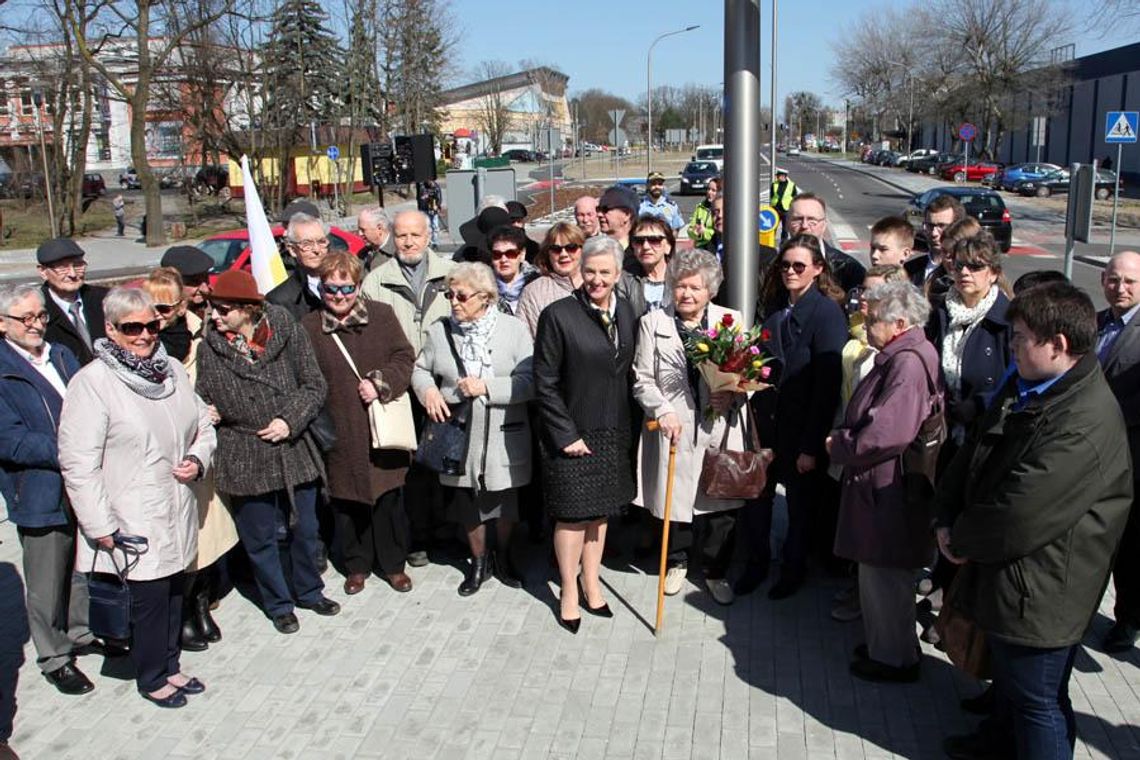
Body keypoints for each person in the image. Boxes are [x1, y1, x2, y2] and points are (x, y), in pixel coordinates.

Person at [937, 282, 1132, 760]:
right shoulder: (1030, 382)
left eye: (1021, 336)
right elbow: (978, 446)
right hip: (1014, 579)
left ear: (1059, 345)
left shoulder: (1082, 423)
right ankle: (997, 745)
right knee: (1012, 690)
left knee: (1038, 702)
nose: (1013, 344)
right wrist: (945, 511)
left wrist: (959, 537)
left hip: (1044, 592)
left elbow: (1019, 513)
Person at [58, 286, 216, 708]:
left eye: (152, 324)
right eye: (132, 328)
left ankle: (171, 664)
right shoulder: (92, 384)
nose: (145, 335)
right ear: (110, 329)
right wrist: (99, 524)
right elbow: (78, 463)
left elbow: (203, 422)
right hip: (130, 514)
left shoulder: (171, 371)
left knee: (174, 592)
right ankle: (151, 677)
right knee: (147, 601)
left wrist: (199, 459)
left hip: (176, 502)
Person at [195, 270, 340, 634]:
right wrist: (207, 408)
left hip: (292, 445)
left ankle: (309, 590)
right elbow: (203, 392)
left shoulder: (286, 329)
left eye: (224, 310)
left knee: (305, 528)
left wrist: (289, 421)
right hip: (243, 449)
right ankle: (278, 603)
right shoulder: (209, 347)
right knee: (260, 538)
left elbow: (313, 384)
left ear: (247, 309)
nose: (215, 317)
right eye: (214, 309)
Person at [827, 281, 942, 683]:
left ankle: (894, 658)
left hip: (886, 487)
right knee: (881, 574)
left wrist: (839, 444)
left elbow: (886, 434)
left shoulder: (906, 362)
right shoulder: (904, 353)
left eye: (871, 319)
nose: (864, 326)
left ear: (898, 323)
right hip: (882, 484)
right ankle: (889, 646)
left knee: (885, 574)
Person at [0, 284, 107, 697]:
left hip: (81, 481)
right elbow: (12, 442)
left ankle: (80, 632)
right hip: (40, 489)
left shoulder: (61, 355)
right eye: (25, 318)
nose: (36, 325)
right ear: (3, 324)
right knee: (46, 580)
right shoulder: (5, 370)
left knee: (81, 565)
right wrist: (72, 447)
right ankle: (54, 657)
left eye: (40, 316)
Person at [632, 249, 748, 606]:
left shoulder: (731, 320)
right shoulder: (654, 323)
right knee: (675, 502)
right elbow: (641, 378)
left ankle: (715, 571)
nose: (686, 294)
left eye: (695, 288)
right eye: (680, 286)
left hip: (719, 427)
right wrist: (662, 410)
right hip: (673, 428)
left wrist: (731, 394)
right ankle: (676, 563)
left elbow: (748, 374)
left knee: (719, 504)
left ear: (710, 290)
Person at [534, 236, 637, 633]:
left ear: (618, 274)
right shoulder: (558, 315)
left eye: (604, 273)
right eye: (589, 271)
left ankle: (592, 582)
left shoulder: (626, 311)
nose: (596, 279)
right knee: (573, 517)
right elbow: (544, 382)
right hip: (572, 434)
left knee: (600, 515)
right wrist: (565, 434)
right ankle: (568, 589)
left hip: (613, 431)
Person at [412, 263, 534, 595]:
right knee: (468, 504)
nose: (453, 302)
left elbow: (530, 381)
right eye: (450, 294)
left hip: (504, 435)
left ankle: (504, 558)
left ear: (484, 297)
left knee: (505, 503)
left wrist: (488, 388)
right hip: (459, 436)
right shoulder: (440, 331)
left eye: (461, 296)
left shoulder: (514, 329)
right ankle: (478, 563)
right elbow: (420, 370)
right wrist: (429, 391)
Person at [738, 234, 847, 599]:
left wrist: (811, 446)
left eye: (799, 266)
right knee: (758, 499)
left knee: (799, 509)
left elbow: (827, 388)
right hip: (766, 425)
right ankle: (756, 564)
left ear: (817, 269)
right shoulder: (773, 305)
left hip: (800, 432)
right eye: (785, 265)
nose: (790, 272)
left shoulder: (827, 313)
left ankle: (792, 569)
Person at [301, 252, 416, 596]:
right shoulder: (309, 327)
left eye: (346, 288)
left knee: (388, 502)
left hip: (381, 429)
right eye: (330, 289)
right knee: (347, 505)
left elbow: (404, 356)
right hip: (339, 431)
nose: (338, 295)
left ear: (358, 286)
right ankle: (357, 566)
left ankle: (394, 565)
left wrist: (381, 382)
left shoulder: (381, 315)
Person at [361, 210, 455, 567]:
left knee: (444, 462)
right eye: (402, 236)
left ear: (428, 236)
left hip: (441, 387)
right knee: (408, 469)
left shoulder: (449, 273)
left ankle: (447, 533)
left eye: (416, 235)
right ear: (392, 238)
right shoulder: (377, 281)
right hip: (398, 389)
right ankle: (416, 537)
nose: (409, 242)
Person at [926, 233, 1011, 449]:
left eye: (975, 267)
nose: (964, 272)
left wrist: (978, 404)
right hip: (941, 433)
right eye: (959, 265)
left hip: (985, 435)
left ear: (993, 274)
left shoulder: (1007, 320)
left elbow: (1015, 382)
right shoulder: (940, 312)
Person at [1097, 250, 1140, 654]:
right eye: (1113, 279)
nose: (1120, 288)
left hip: (1131, 457)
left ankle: (1128, 620)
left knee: (1129, 548)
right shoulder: (1097, 323)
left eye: (1129, 282)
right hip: (1093, 456)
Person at [36, 238, 107, 366]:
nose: (73, 274)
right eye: (62, 267)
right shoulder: (36, 311)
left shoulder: (105, 299)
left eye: (78, 265)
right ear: (43, 272)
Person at [784, 194, 866, 294]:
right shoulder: (772, 267)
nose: (804, 226)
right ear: (787, 224)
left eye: (812, 220)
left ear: (824, 225)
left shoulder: (848, 268)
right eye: (797, 219)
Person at [517, 222, 585, 338]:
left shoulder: (597, 284)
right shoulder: (534, 292)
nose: (564, 254)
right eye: (556, 249)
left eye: (571, 247)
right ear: (547, 253)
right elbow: (524, 342)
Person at [266, 212, 333, 320]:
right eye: (307, 244)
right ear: (292, 250)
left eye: (321, 242)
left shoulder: (344, 283)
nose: (316, 250)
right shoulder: (278, 300)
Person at [905, 194, 965, 292]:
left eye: (942, 226)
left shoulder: (966, 273)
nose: (934, 233)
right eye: (930, 226)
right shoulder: (910, 269)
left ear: (958, 227)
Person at [617, 215, 674, 315]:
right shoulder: (623, 280)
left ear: (668, 247)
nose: (646, 246)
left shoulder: (682, 278)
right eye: (639, 241)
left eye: (654, 240)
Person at [487, 225, 539, 315]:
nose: (503, 260)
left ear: (522, 254)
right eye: (497, 254)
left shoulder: (538, 285)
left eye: (510, 253)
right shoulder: (482, 289)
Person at [142, 268, 191, 362]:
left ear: (181, 307)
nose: (156, 314)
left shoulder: (178, 343)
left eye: (163, 308)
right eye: (150, 308)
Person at [597, 185, 639, 253]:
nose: (599, 214)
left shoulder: (640, 254)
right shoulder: (595, 251)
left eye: (605, 209)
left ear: (626, 215)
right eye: (598, 209)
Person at [357, 207, 396, 272]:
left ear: (379, 228)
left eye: (363, 230)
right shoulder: (362, 254)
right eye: (359, 229)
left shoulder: (398, 253)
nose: (360, 234)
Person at [688, 177, 719, 249]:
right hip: (701, 248)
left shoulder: (723, 209)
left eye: (714, 190)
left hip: (715, 247)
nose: (709, 192)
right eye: (708, 189)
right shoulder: (700, 207)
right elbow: (690, 229)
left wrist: (705, 232)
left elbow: (721, 233)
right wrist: (695, 232)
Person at [769, 168, 798, 235]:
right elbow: (772, 195)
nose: (777, 177)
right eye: (777, 176)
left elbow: (795, 196)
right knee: (773, 226)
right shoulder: (774, 184)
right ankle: (771, 240)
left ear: (783, 176)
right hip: (775, 209)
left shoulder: (791, 185)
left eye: (778, 176)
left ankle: (783, 242)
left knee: (785, 228)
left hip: (786, 209)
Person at [416, 180, 443, 248]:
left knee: (435, 226)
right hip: (424, 208)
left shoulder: (436, 186)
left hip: (433, 208)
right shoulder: (422, 186)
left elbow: (439, 197)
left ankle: (435, 242)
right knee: (426, 226)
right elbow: (420, 198)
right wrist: (425, 197)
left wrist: (438, 206)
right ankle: (427, 242)